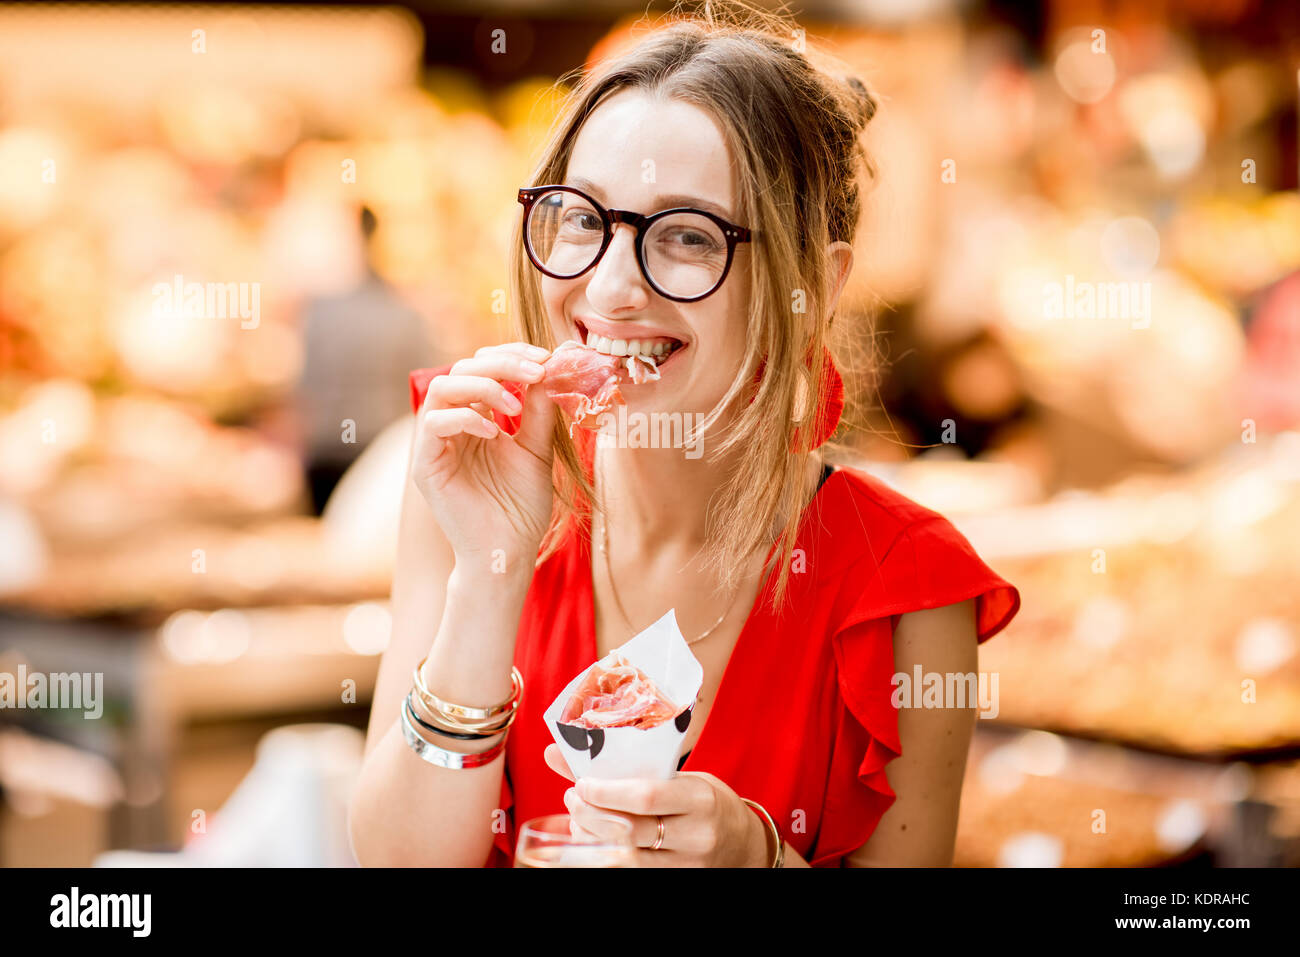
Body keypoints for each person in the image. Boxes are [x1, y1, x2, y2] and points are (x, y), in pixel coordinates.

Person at [349, 4, 1019, 868]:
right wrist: (490, 572)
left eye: (688, 237)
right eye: (584, 218)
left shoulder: (908, 591)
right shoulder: (470, 491)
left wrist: (762, 858)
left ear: (813, 280)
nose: (612, 287)